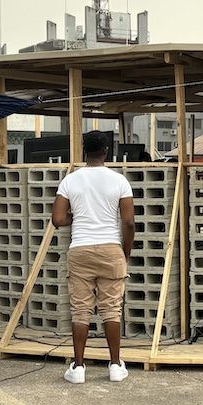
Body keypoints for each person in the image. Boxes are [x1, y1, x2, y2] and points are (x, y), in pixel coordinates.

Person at [52, 130, 135, 383]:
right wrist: (125, 252)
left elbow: (57, 219)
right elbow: (129, 222)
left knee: (80, 310)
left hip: (80, 249)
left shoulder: (70, 181)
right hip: (111, 248)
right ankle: (115, 365)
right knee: (112, 309)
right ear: (107, 151)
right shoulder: (119, 180)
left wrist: (77, 216)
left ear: (83, 150)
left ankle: (78, 367)